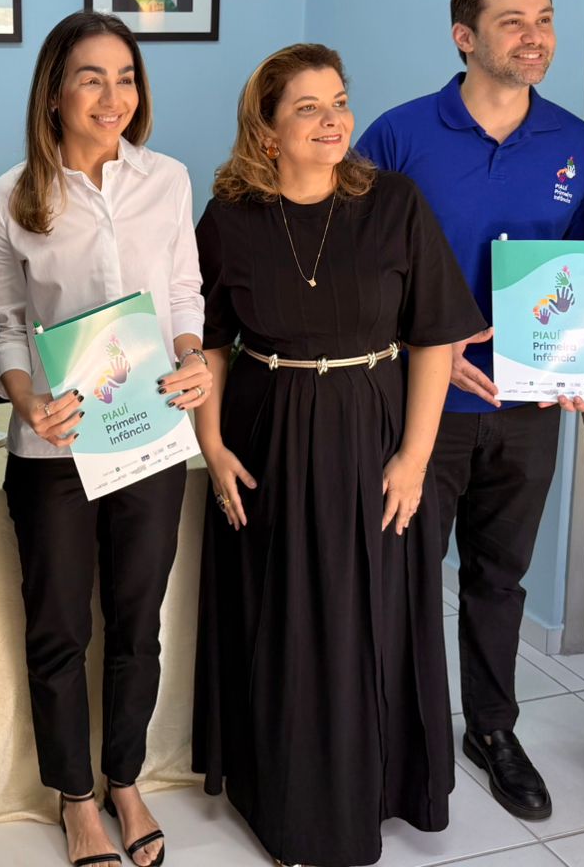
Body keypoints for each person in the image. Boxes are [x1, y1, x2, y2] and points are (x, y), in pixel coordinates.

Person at [191, 43, 484, 867]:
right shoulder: (229, 216)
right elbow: (207, 343)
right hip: (267, 434)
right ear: (267, 129)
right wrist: (212, 446)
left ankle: (379, 789)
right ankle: (285, 797)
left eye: (340, 102)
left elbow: (434, 338)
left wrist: (416, 457)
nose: (334, 120)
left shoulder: (394, 202)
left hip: (373, 430)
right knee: (280, 616)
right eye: (308, 107)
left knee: (374, 612)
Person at [356, 0, 584, 821]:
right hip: (422, 407)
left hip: (528, 406)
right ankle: (394, 734)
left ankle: (492, 730)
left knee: (500, 578)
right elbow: (354, 265)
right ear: (465, 36)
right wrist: (417, 345)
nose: (535, 38)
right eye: (513, 22)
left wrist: (579, 358)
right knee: (404, 572)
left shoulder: (578, 144)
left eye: (544, 20)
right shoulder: (397, 137)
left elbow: (582, 269)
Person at [0, 11, 213, 867]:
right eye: (91, 77)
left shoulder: (169, 180)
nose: (112, 96)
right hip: (55, 449)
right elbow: (7, 324)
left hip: (149, 436)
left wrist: (193, 356)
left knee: (136, 622)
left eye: (126, 77)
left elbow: (184, 292)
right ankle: (75, 798)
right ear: (54, 92)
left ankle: (125, 778)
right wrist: (26, 401)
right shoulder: (11, 196)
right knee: (58, 631)